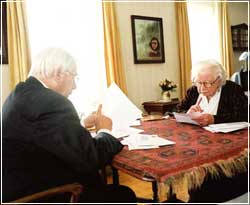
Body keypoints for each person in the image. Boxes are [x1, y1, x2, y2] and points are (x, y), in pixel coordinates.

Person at [2, 47, 136, 203]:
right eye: (74, 77)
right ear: (59, 74)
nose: (75, 86)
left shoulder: (20, 93)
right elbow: (91, 159)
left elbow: (44, 133)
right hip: (47, 194)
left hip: (18, 189)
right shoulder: (52, 102)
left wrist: (80, 124)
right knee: (123, 195)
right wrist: (105, 131)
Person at [177, 59, 248, 126]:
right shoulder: (193, 91)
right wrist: (187, 114)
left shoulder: (233, 89)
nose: (202, 88)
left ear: (219, 80)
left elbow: (244, 116)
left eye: (207, 83)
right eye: (199, 82)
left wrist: (214, 119)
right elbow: (175, 111)